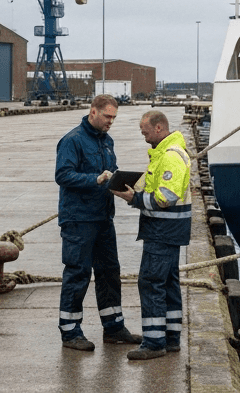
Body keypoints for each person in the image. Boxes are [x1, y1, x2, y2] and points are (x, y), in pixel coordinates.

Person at [54, 94, 140, 350]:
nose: (110, 122)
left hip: (103, 218)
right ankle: (70, 332)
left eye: (113, 117)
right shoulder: (72, 141)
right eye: (107, 116)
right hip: (78, 219)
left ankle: (114, 327)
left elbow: (111, 170)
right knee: (78, 273)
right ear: (93, 112)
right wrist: (96, 179)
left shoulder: (107, 141)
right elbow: (63, 175)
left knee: (109, 271)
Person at [112, 109, 191, 360]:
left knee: (151, 282)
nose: (142, 133)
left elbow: (165, 197)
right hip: (170, 230)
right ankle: (171, 337)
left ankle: (154, 342)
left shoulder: (170, 156)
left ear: (159, 127)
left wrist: (134, 199)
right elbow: (157, 186)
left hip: (162, 230)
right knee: (168, 283)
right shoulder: (165, 153)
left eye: (144, 129)